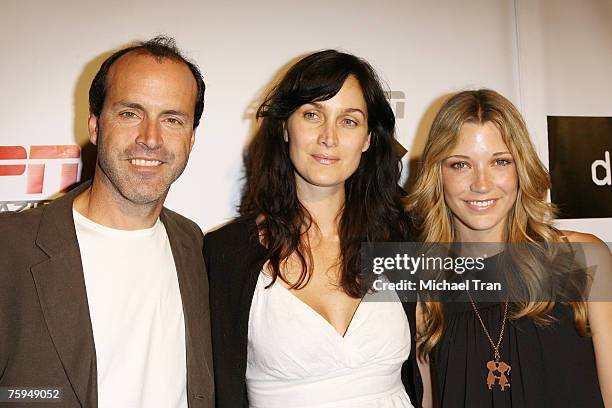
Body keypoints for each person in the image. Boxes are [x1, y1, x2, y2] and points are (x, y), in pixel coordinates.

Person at [0, 36, 214, 407]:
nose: (151, 139)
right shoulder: (10, 247)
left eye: (172, 119)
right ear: (96, 126)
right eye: (130, 113)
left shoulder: (193, 243)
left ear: (192, 138)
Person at [204, 50, 421, 407]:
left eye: (349, 121)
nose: (328, 137)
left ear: (368, 138)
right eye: (312, 115)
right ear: (285, 127)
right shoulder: (226, 252)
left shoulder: (398, 238)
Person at [406, 89, 612, 407]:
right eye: (460, 165)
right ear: (438, 174)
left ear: (521, 169)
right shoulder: (423, 287)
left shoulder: (583, 260)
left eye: (500, 162)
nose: (482, 183)